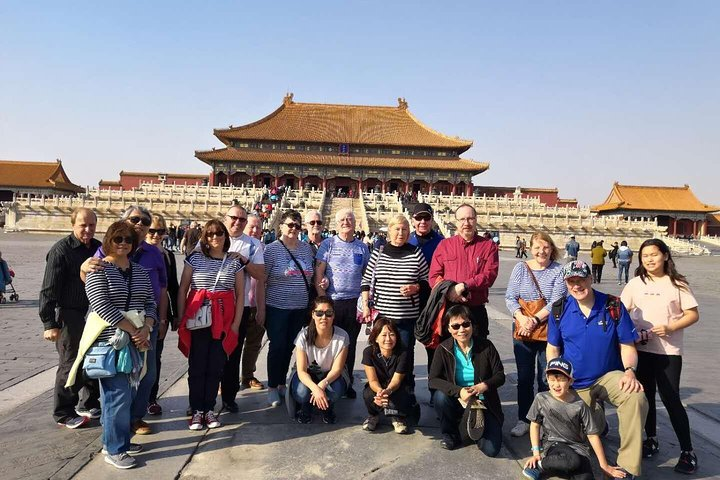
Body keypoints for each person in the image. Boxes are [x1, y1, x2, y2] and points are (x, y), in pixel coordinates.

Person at [547, 260, 648, 478]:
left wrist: (630, 370)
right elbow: (553, 349)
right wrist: (554, 379)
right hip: (574, 381)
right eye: (571, 281)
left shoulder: (612, 306)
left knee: (635, 396)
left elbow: (627, 345)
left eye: (581, 279)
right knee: (580, 436)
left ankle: (628, 466)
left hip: (607, 376)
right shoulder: (559, 309)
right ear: (566, 283)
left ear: (591, 278)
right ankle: (597, 420)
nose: (576, 285)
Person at [73, 221, 157, 469]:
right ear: (109, 240)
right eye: (118, 239)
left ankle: (116, 440)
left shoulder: (140, 272)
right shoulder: (98, 269)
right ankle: (114, 449)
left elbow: (150, 302)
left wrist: (147, 327)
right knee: (116, 396)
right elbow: (100, 305)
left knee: (128, 394)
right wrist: (133, 330)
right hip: (110, 341)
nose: (123, 244)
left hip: (137, 342)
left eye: (128, 240)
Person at [81, 206, 169, 435]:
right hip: (114, 329)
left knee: (147, 375)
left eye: (145, 220)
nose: (140, 223)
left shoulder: (153, 253)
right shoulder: (104, 253)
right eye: (134, 219)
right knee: (117, 382)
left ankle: (135, 418)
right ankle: (115, 431)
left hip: (144, 325)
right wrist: (83, 268)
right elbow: (90, 281)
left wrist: (158, 321)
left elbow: (162, 289)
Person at [620, 239, 699, 474]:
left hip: (668, 352)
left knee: (671, 398)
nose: (649, 259)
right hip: (641, 350)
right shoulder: (635, 284)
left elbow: (692, 314)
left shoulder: (677, 284)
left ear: (665, 255)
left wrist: (671, 327)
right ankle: (651, 439)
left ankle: (687, 452)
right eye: (645, 256)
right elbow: (621, 311)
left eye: (654, 255)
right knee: (645, 397)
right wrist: (630, 334)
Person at [177, 219, 244, 430]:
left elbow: (240, 295)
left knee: (216, 366)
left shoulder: (234, 262)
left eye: (219, 233)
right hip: (198, 319)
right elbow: (183, 289)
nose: (215, 237)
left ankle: (209, 409)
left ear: (225, 237)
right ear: (205, 238)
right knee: (197, 365)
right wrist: (181, 317)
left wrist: (235, 325)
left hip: (222, 320)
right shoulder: (194, 258)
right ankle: (196, 410)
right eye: (210, 234)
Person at [39, 207, 102, 429]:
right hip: (69, 312)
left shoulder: (98, 249)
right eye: (82, 225)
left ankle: (88, 402)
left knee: (92, 358)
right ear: (72, 225)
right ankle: (63, 411)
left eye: (91, 225)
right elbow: (49, 288)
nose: (87, 229)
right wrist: (50, 323)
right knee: (70, 361)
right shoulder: (61, 250)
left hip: (93, 313)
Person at [521, 358, 627, 480]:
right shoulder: (541, 398)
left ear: (571, 381)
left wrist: (604, 466)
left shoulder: (580, 405)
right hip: (554, 444)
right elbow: (534, 425)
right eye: (552, 379)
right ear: (547, 379)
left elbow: (592, 435)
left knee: (584, 475)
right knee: (572, 461)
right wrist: (536, 454)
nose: (556, 384)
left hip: (578, 448)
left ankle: (559, 469)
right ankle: (540, 466)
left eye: (561, 379)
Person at [505, 232, 567, 438]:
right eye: (537, 247)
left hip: (548, 331)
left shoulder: (559, 271)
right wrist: (522, 318)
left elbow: (556, 301)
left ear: (552, 249)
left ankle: (544, 421)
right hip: (522, 330)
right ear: (530, 248)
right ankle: (524, 418)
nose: (542, 251)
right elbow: (510, 297)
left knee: (545, 378)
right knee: (524, 378)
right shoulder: (521, 268)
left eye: (546, 247)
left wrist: (533, 320)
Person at [361, 214, 429, 390]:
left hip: (407, 317)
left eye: (404, 229)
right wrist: (366, 306)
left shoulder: (415, 252)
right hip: (383, 317)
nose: (400, 233)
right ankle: (379, 390)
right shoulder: (379, 252)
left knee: (405, 355)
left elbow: (427, 280)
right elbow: (366, 281)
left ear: (409, 232)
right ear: (389, 231)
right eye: (397, 229)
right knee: (381, 354)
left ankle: (405, 393)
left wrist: (416, 287)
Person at [428, 305, 505, 455]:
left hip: (482, 403)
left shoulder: (486, 346)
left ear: (472, 325)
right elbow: (433, 380)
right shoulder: (443, 349)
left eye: (465, 324)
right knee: (440, 396)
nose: (461, 330)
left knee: (491, 450)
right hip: (458, 401)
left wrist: (484, 386)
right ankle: (450, 433)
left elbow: (500, 375)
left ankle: (472, 429)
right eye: (455, 326)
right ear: (449, 329)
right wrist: (459, 391)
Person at [315, 208, 370, 399]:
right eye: (342, 219)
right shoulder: (327, 245)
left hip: (353, 303)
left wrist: (365, 302)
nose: (346, 222)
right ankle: (328, 380)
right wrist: (324, 302)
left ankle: (346, 381)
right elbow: (318, 275)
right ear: (336, 224)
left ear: (355, 224)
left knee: (350, 344)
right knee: (330, 343)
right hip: (333, 302)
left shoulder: (362, 247)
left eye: (349, 219)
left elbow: (366, 276)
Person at [217, 205, 266, 413]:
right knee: (210, 354)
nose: (237, 222)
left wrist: (244, 261)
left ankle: (229, 397)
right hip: (213, 306)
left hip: (240, 306)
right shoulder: (212, 238)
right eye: (233, 218)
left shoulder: (253, 245)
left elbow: (260, 274)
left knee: (233, 353)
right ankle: (202, 400)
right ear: (224, 218)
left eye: (242, 220)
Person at [264, 209, 315, 407]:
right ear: (281, 227)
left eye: (296, 225)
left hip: (299, 307)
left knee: (290, 347)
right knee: (276, 346)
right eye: (289, 225)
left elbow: (310, 276)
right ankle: (271, 386)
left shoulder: (306, 249)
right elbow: (263, 280)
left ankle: (281, 381)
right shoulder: (272, 249)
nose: (293, 229)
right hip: (277, 306)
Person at [429, 204, 499, 339]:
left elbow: (489, 275)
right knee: (449, 355)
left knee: (478, 355)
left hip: (475, 310)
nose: (466, 223)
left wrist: (464, 286)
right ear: (456, 222)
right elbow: (434, 276)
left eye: (470, 218)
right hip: (449, 310)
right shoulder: (444, 245)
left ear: (476, 220)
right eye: (462, 219)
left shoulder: (488, 246)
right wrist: (449, 291)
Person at [289, 296, 349, 424]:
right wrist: (315, 389)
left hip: (330, 375)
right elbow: (301, 371)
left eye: (328, 313)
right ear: (313, 315)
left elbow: (337, 370)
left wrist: (322, 384)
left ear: (333, 315)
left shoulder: (342, 336)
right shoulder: (303, 336)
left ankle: (327, 408)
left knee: (335, 391)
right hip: (307, 374)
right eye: (319, 313)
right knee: (301, 392)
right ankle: (306, 407)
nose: (324, 317)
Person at [407, 202, 445, 402]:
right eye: (419, 218)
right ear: (412, 220)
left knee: (434, 348)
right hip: (408, 303)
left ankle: (434, 388)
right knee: (406, 346)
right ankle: (408, 386)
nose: (422, 222)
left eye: (426, 218)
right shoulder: (406, 240)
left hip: (433, 303)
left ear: (432, 219)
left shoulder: (442, 243)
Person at [144, 213, 179, 416]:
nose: (156, 235)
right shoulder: (135, 251)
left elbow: (171, 287)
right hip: (136, 313)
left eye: (160, 231)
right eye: (152, 231)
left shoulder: (168, 255)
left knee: (155, 357)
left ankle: (151, 397)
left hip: (159, 313)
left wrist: (174, 315)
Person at [361, 316, 414, 434]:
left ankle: (397, 417)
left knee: (403, 393)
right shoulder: (368, 352)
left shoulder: (403, 353)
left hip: (396, 386)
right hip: (379, 386)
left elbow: (396, 381)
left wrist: (387, 391)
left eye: (392, 334)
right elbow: (372, 380)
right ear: (376, 338)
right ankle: (373, 415)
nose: (388, 339)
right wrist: (380, 392)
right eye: (384, 335)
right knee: (368, 393)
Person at [240, 214, 267, 391]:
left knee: (254, 343)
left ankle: (248, 376)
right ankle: (222, 378)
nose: (255, 230)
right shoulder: (236, 248)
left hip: (257, 303)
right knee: (232, 344)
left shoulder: (265, 249)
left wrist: (262, 308)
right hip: (239, 305)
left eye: (258, 227)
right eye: (252, 226)